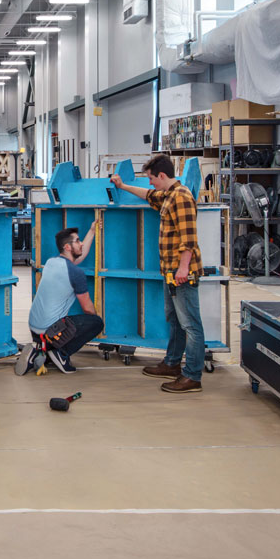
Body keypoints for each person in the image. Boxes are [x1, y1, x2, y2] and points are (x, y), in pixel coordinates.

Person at [112, 155, 204, 393]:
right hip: (171, 272)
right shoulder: (169, 195)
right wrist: (122, 186)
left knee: (191, 326)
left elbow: (189, 238)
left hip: (182, 273)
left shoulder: (181, 197)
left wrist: (183, 268)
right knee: (174, 321)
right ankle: (173, 363)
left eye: (151, 178)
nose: (150, 183)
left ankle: (192, 376)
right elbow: (149, 195)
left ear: (162, 176)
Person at [18, 222, 102, 375]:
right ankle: (61, 353)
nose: (81, 243)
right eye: (77, 241)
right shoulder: (76, 273)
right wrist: (90, 327)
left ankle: (38, 352)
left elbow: (78, 259)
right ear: (67, 247)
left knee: (64, 323)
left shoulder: (51, 263)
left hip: (34, 329)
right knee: (96, 322)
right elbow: (87, 308)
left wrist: (91, 231)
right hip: (50, 331)